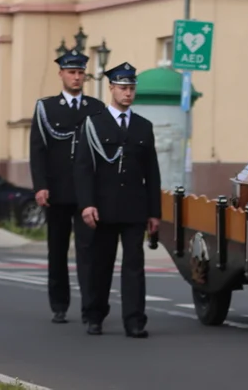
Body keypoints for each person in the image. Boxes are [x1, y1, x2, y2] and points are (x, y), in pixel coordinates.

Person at [74, 62, 161, 338]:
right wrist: (87, 204)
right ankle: (94, 315)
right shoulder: (94, 124)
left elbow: (152, 173)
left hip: (135, 208)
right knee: (101, 264)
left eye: (132, 88)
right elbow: (83, 168)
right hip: (103, 207)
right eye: (123, 88)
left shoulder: (143, 127)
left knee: (134, 266)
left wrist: (154, 211)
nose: (128, 93)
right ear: (111, 88)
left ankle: (135, 320)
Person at [28, 50, 106, 324]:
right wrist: (40, 186)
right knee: (57, 250)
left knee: (89, 252)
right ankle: (59, 304)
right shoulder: (46, 108)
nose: (76, 77)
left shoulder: (96, 108)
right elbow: (38, 151)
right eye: (71, 72)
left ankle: (90, 308)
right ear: (61, 74)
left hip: (87, 194)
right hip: (58, 192)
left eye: (80, 72)